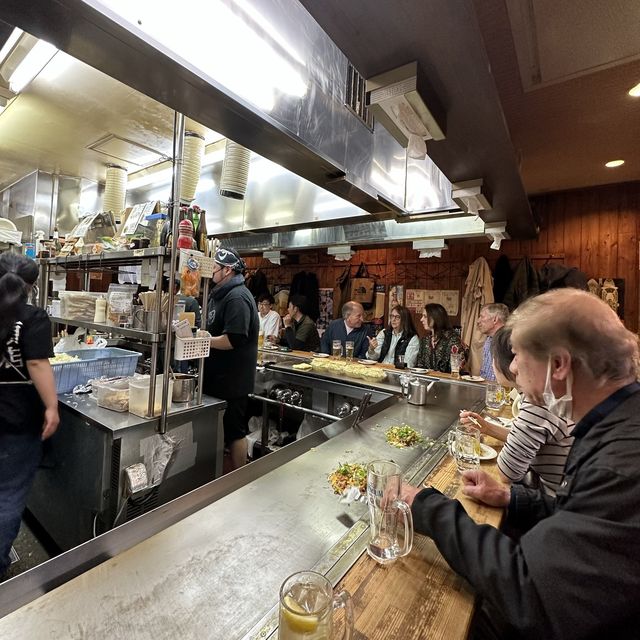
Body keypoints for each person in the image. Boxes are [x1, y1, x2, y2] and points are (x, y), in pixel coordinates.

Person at [401, 289, 640, 638]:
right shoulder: (616, 423)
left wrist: (427, 507)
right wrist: (513, 498)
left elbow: (534, 592)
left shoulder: (621, 463)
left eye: (516, 355)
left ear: (559, 364)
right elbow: (579, 515)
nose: (511, 367)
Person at [460, 327, 575, 495]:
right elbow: (533, 439)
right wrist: (487, 428)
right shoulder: (549, 394)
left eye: (516, 356)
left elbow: (508, 472)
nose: (513, 366)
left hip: (554, 502)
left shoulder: (538, 401)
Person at [0, 254, 59, 579]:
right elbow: (37, 364)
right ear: (31, 286)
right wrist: (51, 406)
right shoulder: (33, 317)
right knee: (7, 496)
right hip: (16, 419)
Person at [202, 247, 259, 470]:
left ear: (227, 270)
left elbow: (233, 339)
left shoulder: (238, 297)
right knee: (220, 431)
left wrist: (204, 340)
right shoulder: (219, 294)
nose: (212, 272)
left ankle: (238, 480)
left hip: (232, 381)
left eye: (215, 268)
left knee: (235, 431)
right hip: (217, 378)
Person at [416, 303, 465, 373]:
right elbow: (419, 365)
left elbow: (457, 369)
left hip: (446, 382)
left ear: (436, 318)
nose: (421, 319)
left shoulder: (452, 340)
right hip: (426, 382)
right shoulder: (425, 341)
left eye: (425, 316)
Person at [476, 302, 509, 380]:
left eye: (482, 317)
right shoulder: (488, 340)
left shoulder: (508, 341)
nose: (478, 321)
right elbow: (485, 374)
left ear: (495, 320)